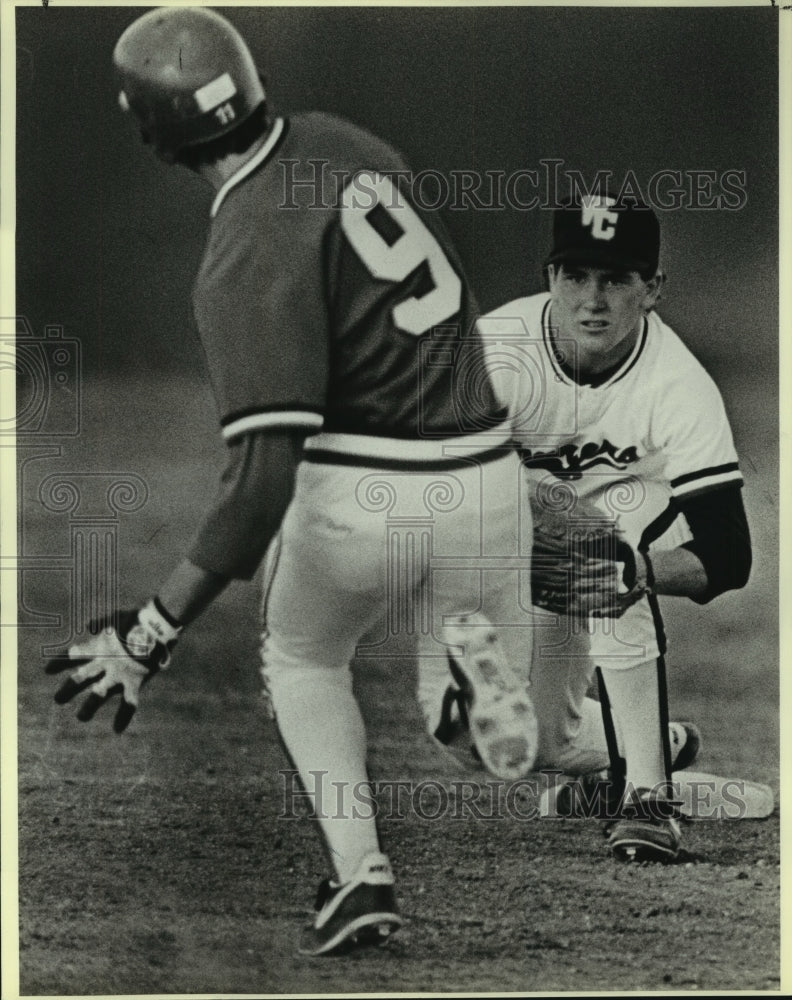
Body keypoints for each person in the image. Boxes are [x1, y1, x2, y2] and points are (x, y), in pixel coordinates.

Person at [45, 7, 540, 956]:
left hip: (363, 495)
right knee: (469, 735)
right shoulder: (346, 145)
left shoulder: (240, 254)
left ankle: (361, 876)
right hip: (485, 476)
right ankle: (462, 693)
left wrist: (150, 633)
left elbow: (260, 481)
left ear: (156, 134)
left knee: (303, 660)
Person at [475, 193, 751, 862]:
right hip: (522, 524)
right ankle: (653, 746)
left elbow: (727, 553)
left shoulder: (677, 384)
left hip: (629, 504)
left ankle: (648, 800)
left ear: (652, 289)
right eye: (575, 275)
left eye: (616, 278)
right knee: (534, 744)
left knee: (606, 558)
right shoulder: (493, 352)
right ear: (549, 278)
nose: (591, 298)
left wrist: (635, 570)